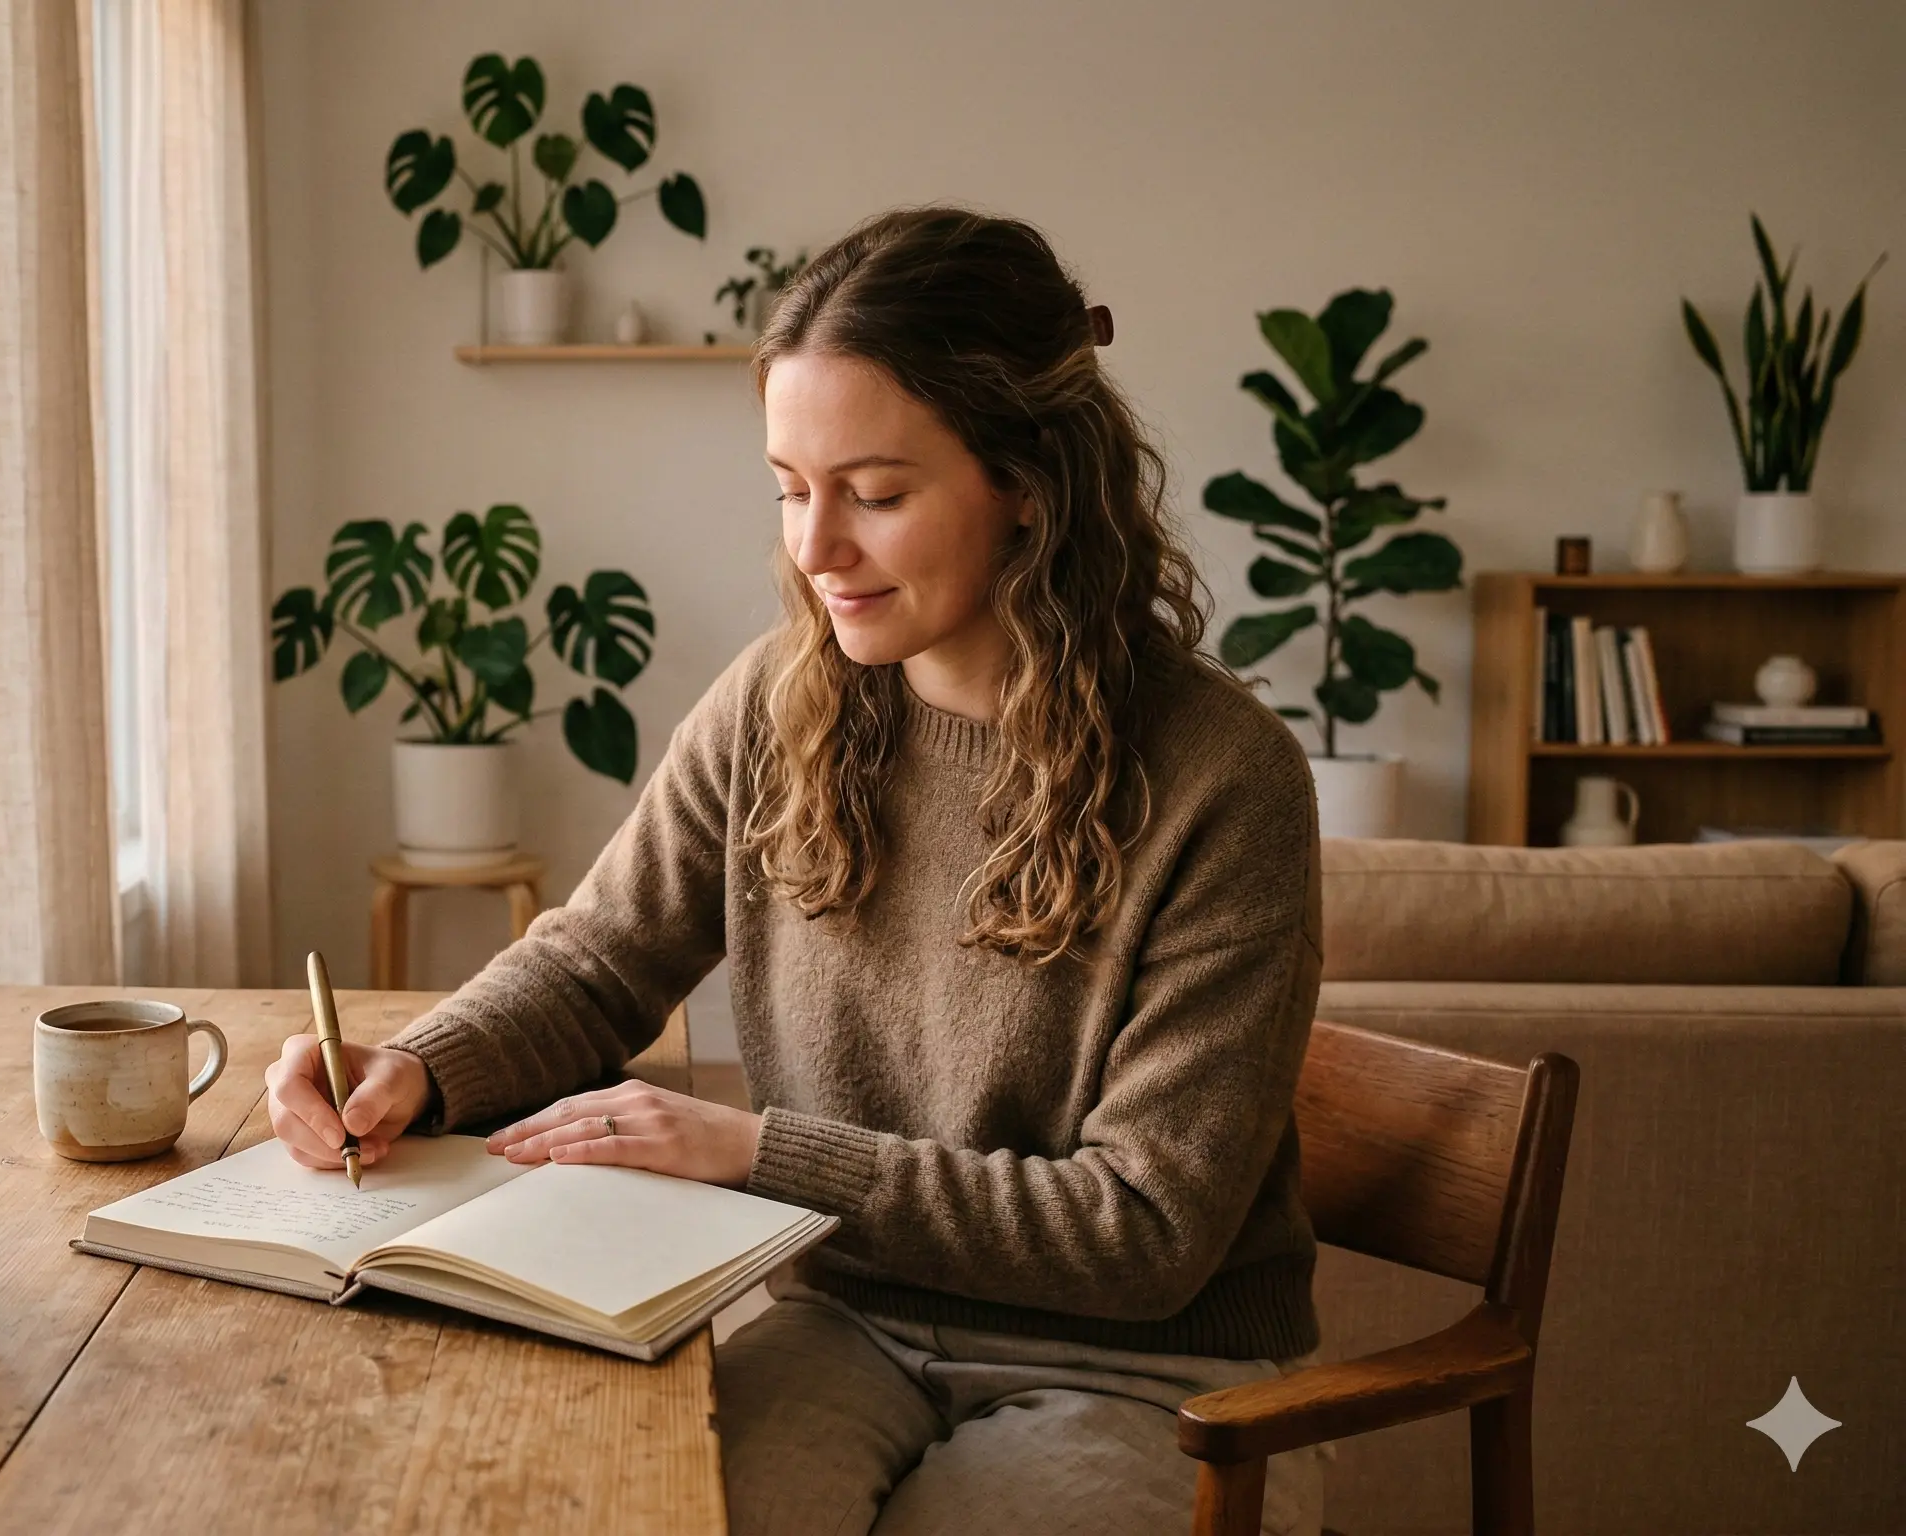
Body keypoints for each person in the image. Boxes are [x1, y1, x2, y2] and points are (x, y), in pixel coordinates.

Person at [265, 205, 1328, 1536]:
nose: (815, 549)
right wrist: (417, 1067)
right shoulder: (780, 703)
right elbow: (598, 961)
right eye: (789, 486)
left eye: (876, 495)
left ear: (1030, 485)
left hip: (1149, 1378)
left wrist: (757, 1157)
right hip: (848, 1328)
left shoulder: (1226, 779)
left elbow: (1143, 1229)